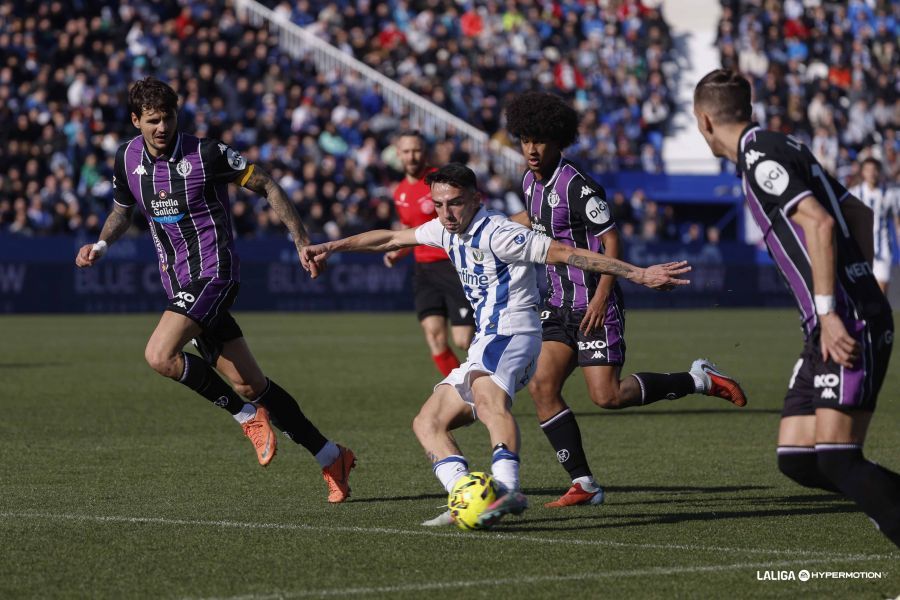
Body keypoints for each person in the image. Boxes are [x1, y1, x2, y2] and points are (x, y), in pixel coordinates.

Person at [300, 163, 691, 527]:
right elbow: (390, 237)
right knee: (427, 422)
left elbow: (568, 253)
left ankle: (505, 489)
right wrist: (331, 247)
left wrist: (639, 274)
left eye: (454, 203)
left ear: (475, 199)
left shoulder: (501, 234)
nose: (446, 213)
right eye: (438, 205)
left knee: (489, 400)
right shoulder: (441, 228)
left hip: (515, 334)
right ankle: (464, 498)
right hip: (484, 341)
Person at [74, 77, 356, 503]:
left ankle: (247, 419)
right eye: (152, 120)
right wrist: (100, 243)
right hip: (179, 283)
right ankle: (330, 454)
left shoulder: (206, 153)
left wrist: (300, 239)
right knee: (249, 383)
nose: (162, 127)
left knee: (160, 355)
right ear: (136, 121)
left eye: (168, 118)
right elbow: (121, 210)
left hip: (215, 274)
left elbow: (267, 184)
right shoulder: (126, 158)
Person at [504, 91, 747, 508]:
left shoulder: (578, 186)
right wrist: (488, 229)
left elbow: (612, 237)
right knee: (542, 387)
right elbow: (536, 219)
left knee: (607, 397)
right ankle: (584, 483)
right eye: (525, 139)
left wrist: (601, 295)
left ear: (558, 141)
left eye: (540, 140)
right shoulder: (529, 181)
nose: (531, 148)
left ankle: (698, 379)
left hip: (594, 303)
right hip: (557, 303)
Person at [693, 69, 899, 547]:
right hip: (834, 318)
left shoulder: (760, 154)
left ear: (704, 120)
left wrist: (834, 308)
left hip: (840, 321)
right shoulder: (782, 146)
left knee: (836, 456)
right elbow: (858, 215)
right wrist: (854, 285)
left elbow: (822, 224)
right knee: (798, 458)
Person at [384, 131, 475, 375]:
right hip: (423, 271)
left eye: (416, 150)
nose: (412, 156)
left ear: (424, 152)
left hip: (452, 266)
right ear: (398, 154)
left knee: (463, 340)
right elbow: (408, 230)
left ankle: (491, 380)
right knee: (435, 338)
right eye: (406, 151)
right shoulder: (400, 192)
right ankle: (463, 394)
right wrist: (397, 252)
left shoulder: (440, 184)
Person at [848, 158, 899, 295]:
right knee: (862, 293)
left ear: (879, 172)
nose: (872, 173)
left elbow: (897, 222)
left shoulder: (890, 194)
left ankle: (878, 317)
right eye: (868, 170)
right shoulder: (854, 193)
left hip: (883, 251)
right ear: (863, 173)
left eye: (875, 170)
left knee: (881, 294)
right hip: (859, 250)